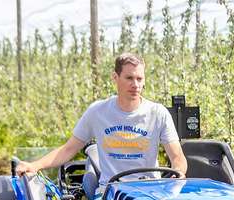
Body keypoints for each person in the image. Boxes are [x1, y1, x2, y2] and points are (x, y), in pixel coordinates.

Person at [14, 53, 187, 189]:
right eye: (129, 78)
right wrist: (35, 165)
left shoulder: (158, 113)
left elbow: (177, 157)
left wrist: (178, 173)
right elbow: (69, 149)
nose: (135, 84)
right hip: (109, 192)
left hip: (150, 192)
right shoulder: (98, 111)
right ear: (115, 77)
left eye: (139, 79)